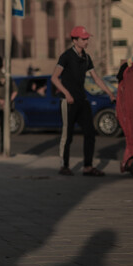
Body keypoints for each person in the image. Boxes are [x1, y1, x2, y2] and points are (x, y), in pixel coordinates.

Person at [51, 26, 116, 177]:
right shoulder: (66, 56)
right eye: (84, 39)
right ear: (75, 40)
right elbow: (54, 78)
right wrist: (66, 93)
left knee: (90, 133)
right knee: (68, 135)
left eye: (87, 38)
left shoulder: (86, 57)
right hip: (68, 101)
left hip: (82, 100)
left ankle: (88, 167)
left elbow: (96, 78)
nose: (87, 41)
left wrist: (109, 93)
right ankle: (64, 166)